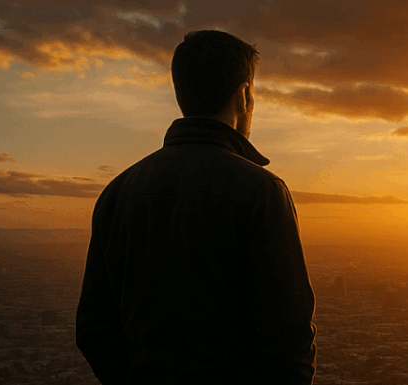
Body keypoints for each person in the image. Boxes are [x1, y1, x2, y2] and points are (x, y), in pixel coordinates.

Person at [76, 30, 316, 385]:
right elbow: (289, 336)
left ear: (181, 93)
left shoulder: (117, 193)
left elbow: (94, 329)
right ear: (244, 95)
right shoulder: (261, 192)